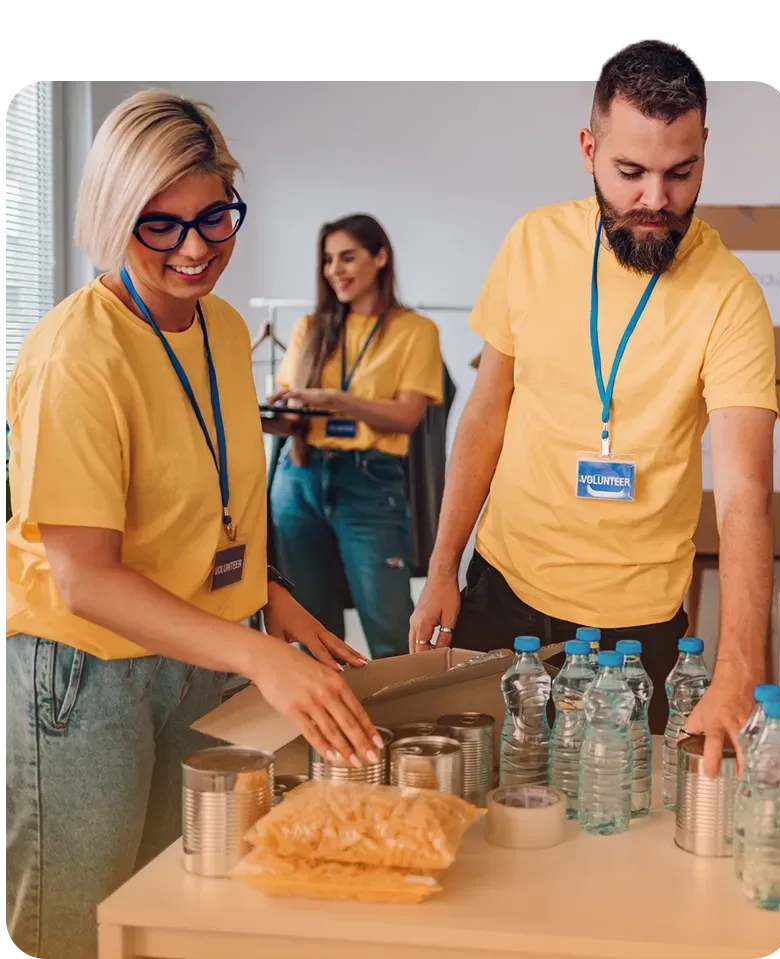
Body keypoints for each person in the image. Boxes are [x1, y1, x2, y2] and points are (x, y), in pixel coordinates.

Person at [5, 90, 381, 959]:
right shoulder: (76, 355)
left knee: (171, 914)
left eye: (214, 216)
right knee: (78, 927)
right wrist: (259, 655)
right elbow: (85, 577)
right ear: (111, 217)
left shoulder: (217, 326)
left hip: (195, 654)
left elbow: (207, 502)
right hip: (86, 676)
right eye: (160, 226)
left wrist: (269, 596)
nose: (196, 247)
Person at [409, 39, 777, 776]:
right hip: (503, 594)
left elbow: (743, 494)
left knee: (616, 836)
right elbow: (486, 414)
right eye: (630, 171)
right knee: (483, 812)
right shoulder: (531, 244)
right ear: (588, 148)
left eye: (681, 172)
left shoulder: (730, 295)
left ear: (704, 148)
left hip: (638, 631)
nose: (655, 200)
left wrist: (741, 664)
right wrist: (443, 563)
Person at [266, 214, 444, 660]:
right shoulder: (310, 329)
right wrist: (263, 416)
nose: (335, 270)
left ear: (380, 257)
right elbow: (294, 421)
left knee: (389, 627)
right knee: (309, 627)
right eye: (327, 260)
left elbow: (406, 417)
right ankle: (323, 725)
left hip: (369, 481)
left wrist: (335, 398)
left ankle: (406, 724)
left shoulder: (415, 330)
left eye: (347, 257)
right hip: (299, 476)